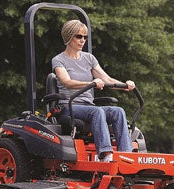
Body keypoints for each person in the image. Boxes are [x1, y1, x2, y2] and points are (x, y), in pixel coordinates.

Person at [52, 20, 136, 162]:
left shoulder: (89, 58)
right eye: (79, 36)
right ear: (69, 36)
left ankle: (126, 155)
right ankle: (105, 155)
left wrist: (125, 84)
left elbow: (106, 79)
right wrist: (91, 83)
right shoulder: (59, 60)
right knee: (98, 111)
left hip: (87, 107)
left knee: (118, 111)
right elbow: (67, 82)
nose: (82, 40)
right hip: (68, 106)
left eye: (85, 37)